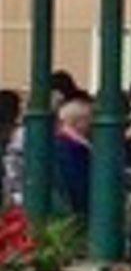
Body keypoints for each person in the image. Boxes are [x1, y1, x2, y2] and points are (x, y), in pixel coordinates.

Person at [51, 94, 92, 227]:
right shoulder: (70, 147)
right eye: (91, 119)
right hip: (75, 216)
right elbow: (77, 185)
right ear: (79, 122)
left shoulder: (63, 144)